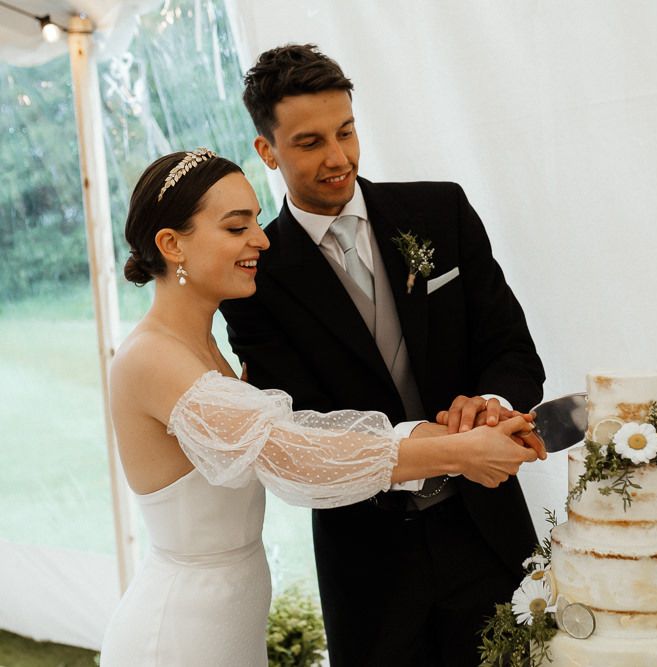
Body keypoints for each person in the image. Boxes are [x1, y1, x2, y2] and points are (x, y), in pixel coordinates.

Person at [99, 148, 544, 667]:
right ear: (172, 244)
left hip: (228, 621)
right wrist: (460, 453)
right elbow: (296, 456)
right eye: (236, 227)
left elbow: (321, 432)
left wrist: (469, 429)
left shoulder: (208, 353)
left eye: (257, 223)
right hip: (179, 632)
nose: (261, 240)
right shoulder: (152, 358)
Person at [219, 44, 547, 667]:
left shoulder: (439, 210)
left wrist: (490, 407)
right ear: (267, 151)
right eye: (311, 142)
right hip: (368, 562)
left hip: (489, 535)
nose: (338, 157)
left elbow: (510, 345)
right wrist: (439, 442)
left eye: (346, 131)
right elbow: (303, 422)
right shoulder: (256, 276)